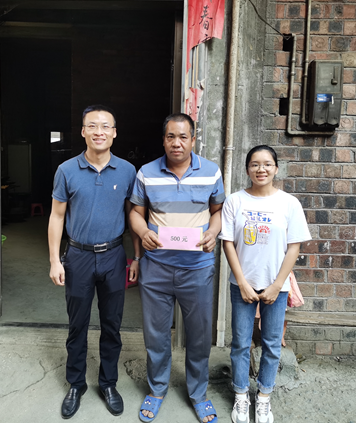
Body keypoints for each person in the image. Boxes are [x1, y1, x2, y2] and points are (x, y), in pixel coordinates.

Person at [48, 104, 142, 419]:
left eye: (105, 126)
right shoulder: (66, 170)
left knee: (112, 325)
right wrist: (54, 260)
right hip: (78, 257)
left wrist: (136, 257)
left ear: (114, 133)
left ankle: (108, 383)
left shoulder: (127, 171)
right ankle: (76, 384)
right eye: (92, 126)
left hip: (114, 255)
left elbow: (134, 215)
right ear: (83, 131)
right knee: (77, 325)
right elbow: (56, 216)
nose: (98, 132)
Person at [129, 113, 225, 423]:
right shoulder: (146, 172)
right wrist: (143, 231)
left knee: (199, 335)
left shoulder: (210, 172)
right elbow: (136, 213)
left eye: (183, 136)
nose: (176, 143)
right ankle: (157, 389)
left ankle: (198, 394)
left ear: (193, 139)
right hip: (156, 267)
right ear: (163, 140)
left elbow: (218, 211)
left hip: (197, 268)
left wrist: (213, 232)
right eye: (170, 136)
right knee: (156, 335)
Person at [220, 145, 311, 423]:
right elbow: (228, 243)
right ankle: (240, 395)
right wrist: (242, 283)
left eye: (267, 164)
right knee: (240, 343)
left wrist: (277, 285)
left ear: (276, 168)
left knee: (272, 344)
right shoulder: (234, 201)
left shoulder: (289, 203)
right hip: (242, 286)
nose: (261, 169)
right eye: (255, 164)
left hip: (276, 286)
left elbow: (294, 247)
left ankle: (263, 397)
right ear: (247, 169)